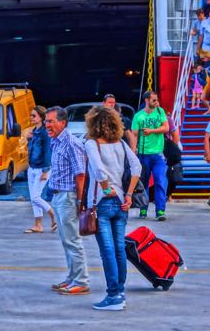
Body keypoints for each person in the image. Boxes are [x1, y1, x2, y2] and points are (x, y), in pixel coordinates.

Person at [84, 106, 141, 311]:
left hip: (103, 201)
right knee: (118, 249)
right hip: (122, 203)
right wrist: (128, 194)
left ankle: (113, 295)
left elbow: (99, 170)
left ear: (93, 123)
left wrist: (106, 189)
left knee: (107, 250)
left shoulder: (92, 144)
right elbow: (137, 167)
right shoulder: (122, 144)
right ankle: (120, 291)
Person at [45, 106, 90, 295]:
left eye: (51, 121)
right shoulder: (55, 141)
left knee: (72, 240)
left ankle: (81, 280)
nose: (47, 125)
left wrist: (80, 202)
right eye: (46, 121)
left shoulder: (71, 143)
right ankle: (72, 277)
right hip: (58, 195)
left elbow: (81, 174)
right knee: (65, 239)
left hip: (68, 196)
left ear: (63, 123)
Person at [131, 91, 169, 221]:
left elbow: (166, 128)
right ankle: (143, 207)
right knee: (144, 182)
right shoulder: (138, 116)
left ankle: (160, 210)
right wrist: (133, 152)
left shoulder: (160, 112)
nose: (156, 101)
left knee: (159, 180)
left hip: (158, 154)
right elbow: (134, 134)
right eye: (153, 99)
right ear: (146, 100)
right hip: (143, 154)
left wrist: (152, 131)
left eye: (156, 99)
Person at [24, 106, 56, 234]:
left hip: (42, 169)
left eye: (34, 116)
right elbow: (32, 150)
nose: (31, 118)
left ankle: (53, 215)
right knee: (33, 198)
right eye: (31, 115)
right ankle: (38, 225)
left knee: (36, 197)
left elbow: (47, 153)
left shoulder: (44, 133)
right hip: (32, 168)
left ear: (41, 118)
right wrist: (28, 139)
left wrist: (45, 171)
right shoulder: (34, 132)